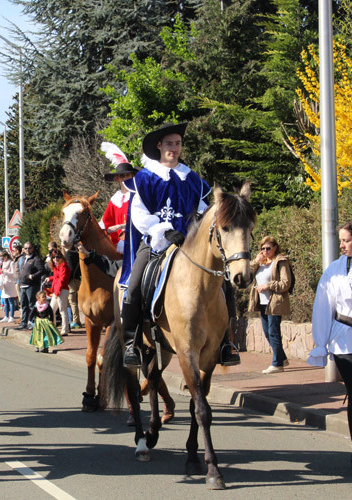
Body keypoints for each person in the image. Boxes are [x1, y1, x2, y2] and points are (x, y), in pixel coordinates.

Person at [119, 122, 239, 367]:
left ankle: (226, 342)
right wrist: (163, 230)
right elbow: (139, 214)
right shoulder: (145, 178)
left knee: (224, 283)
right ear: (160, 147)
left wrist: (196, 228)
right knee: (134, 286)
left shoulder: (192, 179)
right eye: (170, 144)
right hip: (156, 243)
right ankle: (132, 344)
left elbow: (207, 213)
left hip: (189, 244)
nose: (174, 148)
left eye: (178, 144)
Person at [308, 219, 352, 476]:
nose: (342, 245)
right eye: (341, 241)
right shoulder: (335, 270)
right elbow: (323, 307)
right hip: (345, 339)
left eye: (347, 240)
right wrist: (320, 345)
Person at [249, 236, 292, 374]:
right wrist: (256, 261)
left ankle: (277, 364)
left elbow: (286, 283)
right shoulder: (261, 264)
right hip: (262, 303)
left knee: (274, 332)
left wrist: (268, 285)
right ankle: (282, 358)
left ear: (274, 248)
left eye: (268, 248)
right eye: (262, 248)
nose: (265, 251)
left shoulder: (280, 262)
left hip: (274, 302)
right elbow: (247, 274)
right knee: (268, 333)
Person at [99, 142, 140, 250]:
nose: (126, 178)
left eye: (128, 175)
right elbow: (105, 222)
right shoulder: (115, 200)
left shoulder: (138, 195)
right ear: (117, 178)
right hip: (119, 246)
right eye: (122, 176)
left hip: (137, 242)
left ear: (132, 176)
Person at [16, 243, 46, 331]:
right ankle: (23, 322)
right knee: (24, 305)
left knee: (32, 305)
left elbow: (42, 270)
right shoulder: (23, 258)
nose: (27, 250)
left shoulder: (36, 259)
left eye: (29, 248)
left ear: (33, 248)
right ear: (23, 249)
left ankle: (31, 322)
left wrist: (33, 276)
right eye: (25, 248)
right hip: (23, 285)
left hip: (31, 285)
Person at [47, 250, 72, 336]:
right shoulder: (57, 267)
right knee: (51, 310)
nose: (55, 259)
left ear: (61, 257)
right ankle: (53, 327)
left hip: (62, 290)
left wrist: (57, 291)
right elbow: (56, 277)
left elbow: (62, 279)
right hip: (57, 290)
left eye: (57, 257)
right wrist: (50, 278)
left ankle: (65, 330)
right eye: (53, 257)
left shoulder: (63, 266)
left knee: (62, 310)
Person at [0, 250, 18, 322]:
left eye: (2, 258)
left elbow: (13, 273)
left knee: (11, 301)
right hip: (4, 283)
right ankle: (6, 316)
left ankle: (11, 316)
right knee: (5, 300)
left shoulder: (11, 262)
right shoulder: (4, 263)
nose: (2, 259)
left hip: (10, 283)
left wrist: (5, 272)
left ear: (6, 256)